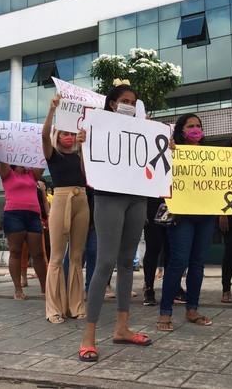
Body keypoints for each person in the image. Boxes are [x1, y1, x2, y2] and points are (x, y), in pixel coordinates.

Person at [79, 81, 150, 362]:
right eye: (125, 100)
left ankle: (122, 327)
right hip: (109, 197)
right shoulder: (96, 128)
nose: (130, 105)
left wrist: (165, 147)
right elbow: (89, 170)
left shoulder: (144, 130)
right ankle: (88, 336)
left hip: (137, 198)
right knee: (105, 263)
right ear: (112, 104)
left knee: (126, 262)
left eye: (134, 102)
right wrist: (85, 146)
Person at [157, 112, 220, 330]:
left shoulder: (210, 155)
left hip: (206, 215)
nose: (195, 129)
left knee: (197, 264)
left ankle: (192, 309)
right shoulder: (172, 152)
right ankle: (165, 312)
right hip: (182, 215)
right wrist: (169, 153)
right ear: (181, 131)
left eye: (198, 125)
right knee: (178, 262)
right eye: (190, 126)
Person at [43, 94, 90, 324]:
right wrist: (52, 111)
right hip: (61, 198)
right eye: (64, 133)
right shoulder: (52, 154)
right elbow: (44, 135)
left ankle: (76, 305)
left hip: (82, 199)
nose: (69, 137)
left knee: (77, 256)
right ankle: (54, 309)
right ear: (57, 136)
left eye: (71, 133)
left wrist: (84, 140)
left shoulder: (81, 154)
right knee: (56, 256)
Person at [0, 125, 47, 300]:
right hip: (14, 215)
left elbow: (42, 158)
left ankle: (45, 288)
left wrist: (43, 139)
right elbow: (2, 158)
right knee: (15, 251)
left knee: (37, 253)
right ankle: (18, 290)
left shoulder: (33, 175)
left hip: (33, 216)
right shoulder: (7, 173)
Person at [142, 197, 169, 306]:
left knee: (171, 250)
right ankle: (149, 289)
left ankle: (171, 288)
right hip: (153, 202)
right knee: (153, 247)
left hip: (174, 201)